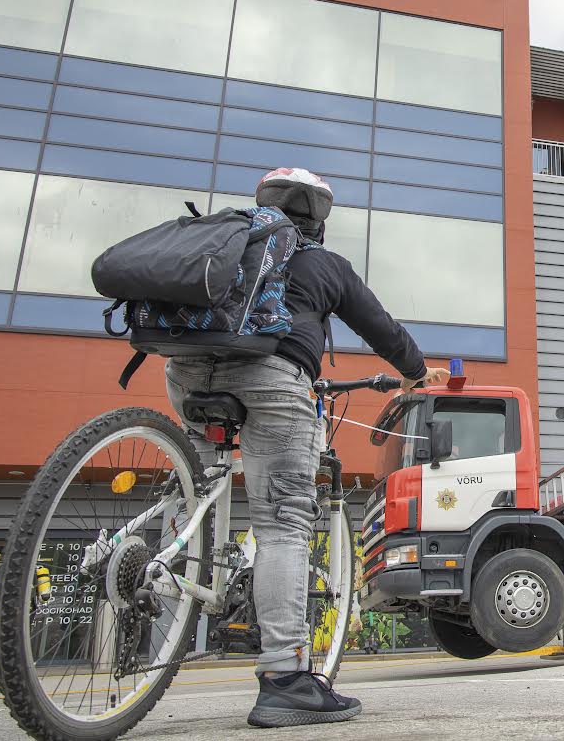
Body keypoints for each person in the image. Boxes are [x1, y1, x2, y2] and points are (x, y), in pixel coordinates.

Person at [164, 167, 448, 728]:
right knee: (283, 525)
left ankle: (185, 541)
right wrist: (418, 373)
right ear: (320, 218)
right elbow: (380, 326)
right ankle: (286, 678)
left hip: (185, 372)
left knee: (205, 471)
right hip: (272, 378)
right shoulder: (323, 264)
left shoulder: (228, 242)